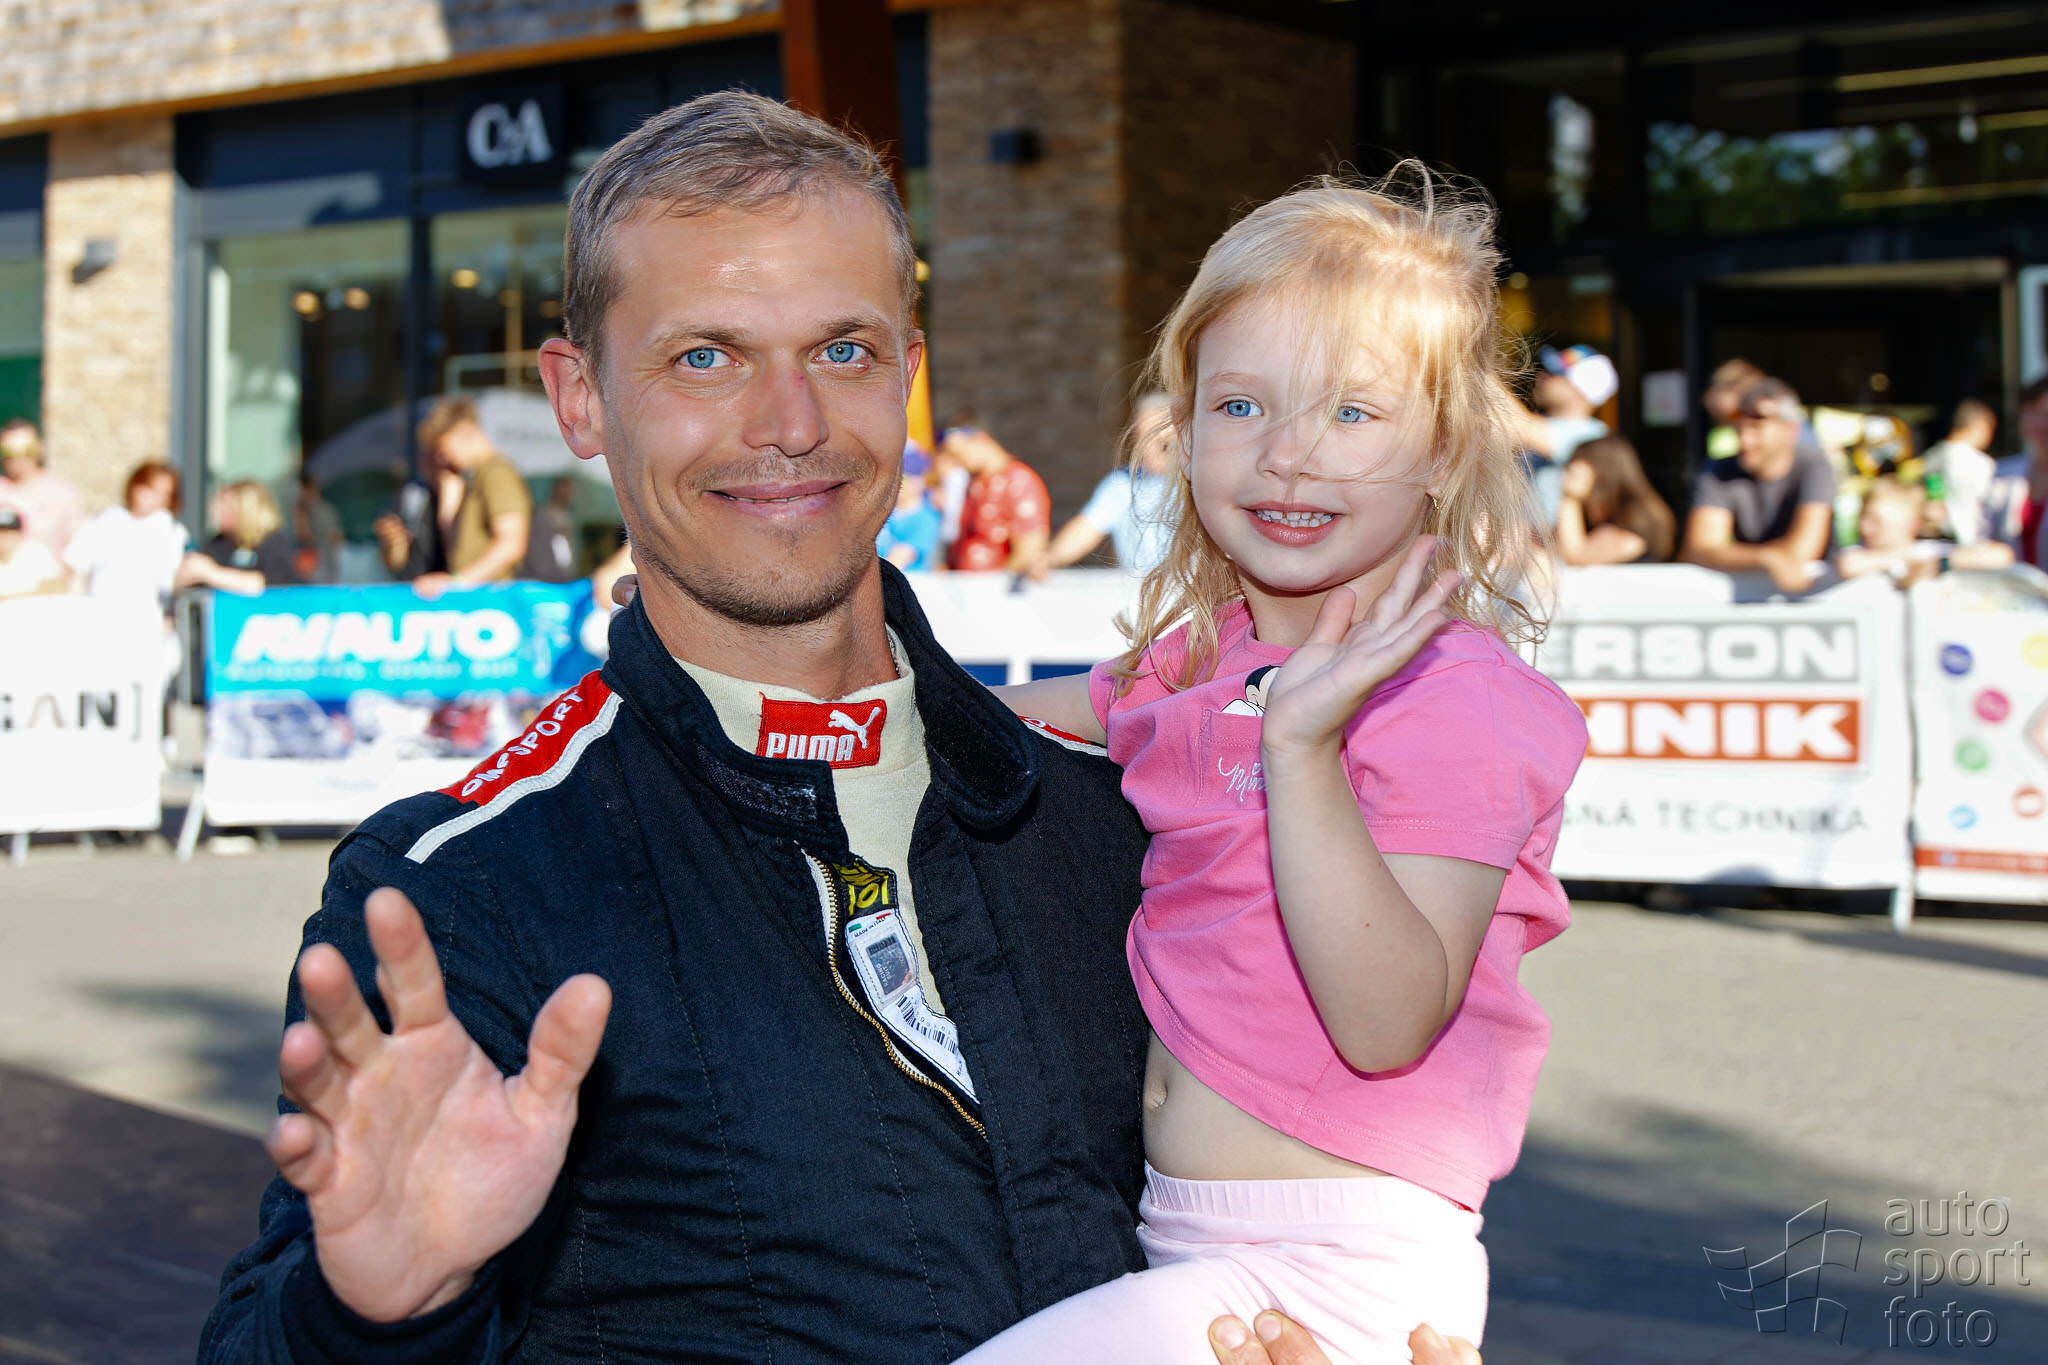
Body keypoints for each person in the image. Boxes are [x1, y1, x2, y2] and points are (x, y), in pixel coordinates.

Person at [197, 91, 1476, 1365]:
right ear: (579, 399)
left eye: (843, 352)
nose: (791, 424)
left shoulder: (1131, 806)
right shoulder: (466, 889)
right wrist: (378, 1317)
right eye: (706, 358)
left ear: (908, 382)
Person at [971, 174, 1586, 1362]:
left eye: (1351, 412)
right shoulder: (1198, 662)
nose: (1288, 455)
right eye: (1240, 404)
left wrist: (1299, 746)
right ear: (1183, 431)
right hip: (1187, 1242)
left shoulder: (1455, 700)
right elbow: (963, 719)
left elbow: (1385, 1019)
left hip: (1336, 1272)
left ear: (1443, 448)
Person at [1680, 377, 1836, 594]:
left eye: (1756, 428)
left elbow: (1802, 552)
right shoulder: (1718, 471)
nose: (1745, 440)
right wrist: (1766, 558)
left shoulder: (1815, 465)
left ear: (1790, 430)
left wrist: (1738, 556)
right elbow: (1701, 549)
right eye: (1739, 429)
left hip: (1817, 598)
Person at [374, 396, 533, 592]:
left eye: (444, 448)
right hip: (481, 595)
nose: (443, 458)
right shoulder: (475, 477)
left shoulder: (496, 472)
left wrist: (457, 581)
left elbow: (511, 543)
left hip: (493, 596)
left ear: (464, 433)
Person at [1028, 393, 1178, 578]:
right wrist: (1048, 559)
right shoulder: (1122, 484)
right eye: (1140, 439)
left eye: (1157, 440)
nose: (1145, 449)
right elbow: (1087, 528)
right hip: (1142, 590)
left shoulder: (1197, 483)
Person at [1834, 476, 2012, 586]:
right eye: (1863, 518)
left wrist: (1937, 565)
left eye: (1876, 521)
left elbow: (2001, 556)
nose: (1864, 528)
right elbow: (1849, 565)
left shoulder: (1929, 551)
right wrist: (1907, 561)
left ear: (1911, 524)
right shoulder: (1857, 554)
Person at [64, 459, 188, 609]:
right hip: (100, 609)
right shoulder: (107, 521)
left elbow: (169, 581)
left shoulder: (172, 532)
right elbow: (77, 565)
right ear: (135, 487)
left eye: (165, 494)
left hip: (144, 613)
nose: (157, 498)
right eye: (151, 489)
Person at [1516, 345, 1614, 521]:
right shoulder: (1541, 424)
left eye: (1555, 374)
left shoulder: (1593, 435)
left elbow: (1519, 427)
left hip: (1553, 537)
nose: (1541, 376)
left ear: (1580, 389)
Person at [942, 424, 1051, 571]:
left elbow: (1030, 546)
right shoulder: (976, 483)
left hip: (996, 581)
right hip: (966, 581)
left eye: (959, 454)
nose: (958, 462)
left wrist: (1000, 580)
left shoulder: (1017, 480)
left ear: (981, 439)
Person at [1552, 436, 1675, 565]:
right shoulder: (1588, 520)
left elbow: (1576, 558)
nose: (1566, 478)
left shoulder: (1638, 523)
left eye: (1575, 472)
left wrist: (1571, 499)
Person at [175, 480, 301, 595]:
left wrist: (210, 573)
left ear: (247, 510)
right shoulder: (218, 544)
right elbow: (182, 583)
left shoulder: (273, 543)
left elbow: (264, 586)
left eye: (226, 506)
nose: (215, 512)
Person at [0, 417, 85, 560]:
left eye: (27, 451)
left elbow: (79, 551)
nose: (18, 458)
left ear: (40, 448)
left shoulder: (63, 494)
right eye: (9, 452)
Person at [1987, 377, 2048, 568]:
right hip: (2013, 584)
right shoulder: (2001, 473)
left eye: (2045, 413)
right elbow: (1984, 535)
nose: (2038, 422)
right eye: (2030, 411)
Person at [878, 441, 945, 570]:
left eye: (903, 478)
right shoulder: (882, 512)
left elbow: (897, 561)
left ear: (919, 481)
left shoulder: (926, 519)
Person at [521, 477, 583, 582]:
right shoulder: (546, 512)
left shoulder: (569, 513)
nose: (569, 493)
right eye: (566, 489)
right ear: (558, 489)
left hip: (567, 567)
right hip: (549, 570)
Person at [0, 504, 67, 597]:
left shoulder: (35, 552)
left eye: (10, 532)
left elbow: (57, 585)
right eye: (1, 532)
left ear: (20, 534)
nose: (4, 538)